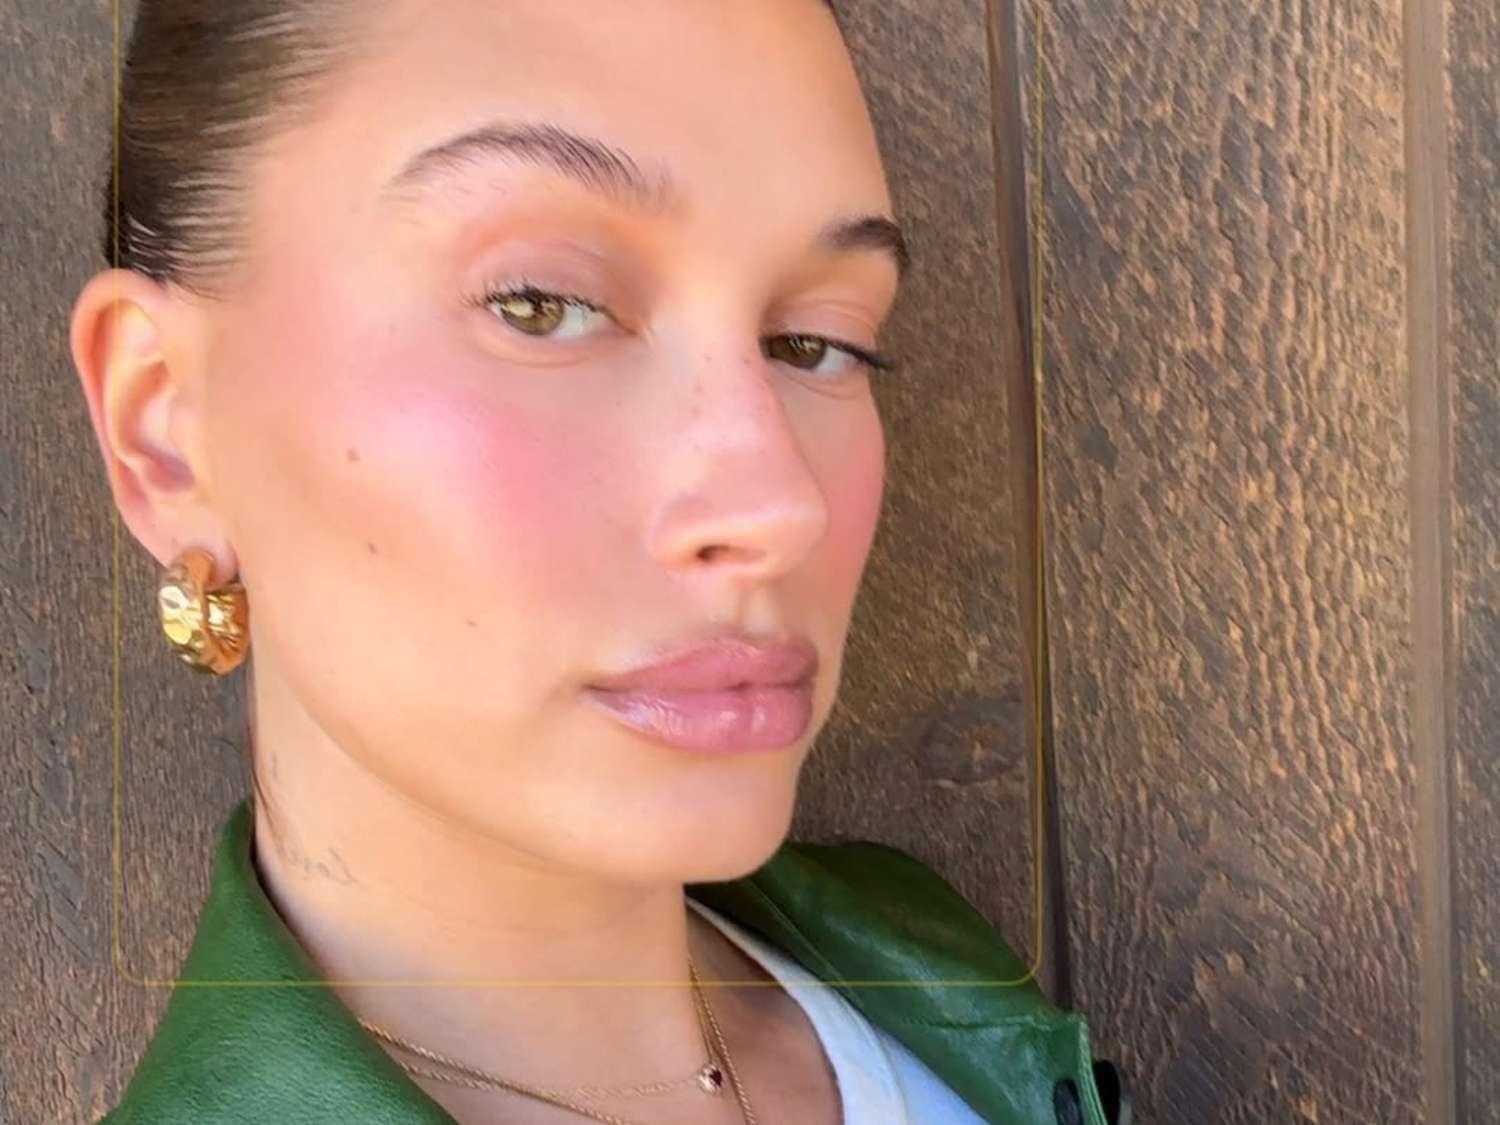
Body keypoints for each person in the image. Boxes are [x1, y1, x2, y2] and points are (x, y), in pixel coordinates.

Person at [68, 1, 1130, 1122]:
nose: (779, 504)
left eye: (816, 343)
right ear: (165, 425)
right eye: (542, 306)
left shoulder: (926, 975)